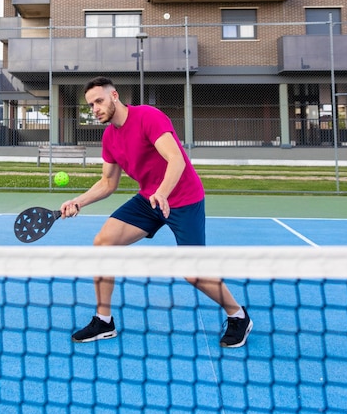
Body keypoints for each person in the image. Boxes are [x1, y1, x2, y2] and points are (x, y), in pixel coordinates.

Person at [61, 77, 252, 348]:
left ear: (114, 95)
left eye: (99, 101)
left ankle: (238, 315)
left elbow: (176, 159)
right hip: (149, 199)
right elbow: (107, 183)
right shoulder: (109, 137)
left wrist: (162, 192)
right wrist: (78, 201)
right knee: (103, 243)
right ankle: (104, 321)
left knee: (193, 271)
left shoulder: (148, 117)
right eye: (91, 105)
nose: (95, 108)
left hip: (183, 198)